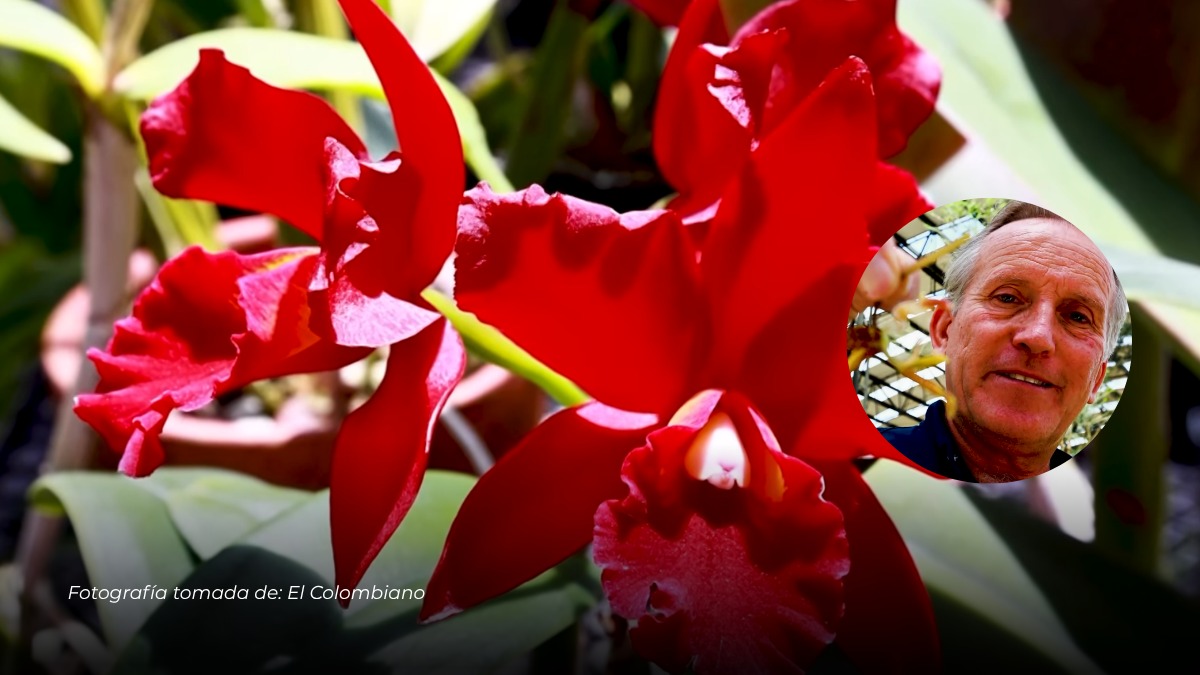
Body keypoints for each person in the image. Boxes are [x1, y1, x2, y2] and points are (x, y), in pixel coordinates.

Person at [860, 202, 1128, 482]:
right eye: (1007, 298)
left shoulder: (1106, 501)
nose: (1038, 337)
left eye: (1077, 316)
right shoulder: (857, 469)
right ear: (944, 330)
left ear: (1097, 379)